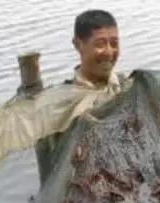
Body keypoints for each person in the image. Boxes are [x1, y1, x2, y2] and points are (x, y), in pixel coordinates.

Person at [36, 10, 125, 184]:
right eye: (100, 44)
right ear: (78, 44)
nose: (109, 52)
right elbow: (51, 163)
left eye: (114, 43)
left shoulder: (128, 88)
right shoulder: (59, 103)